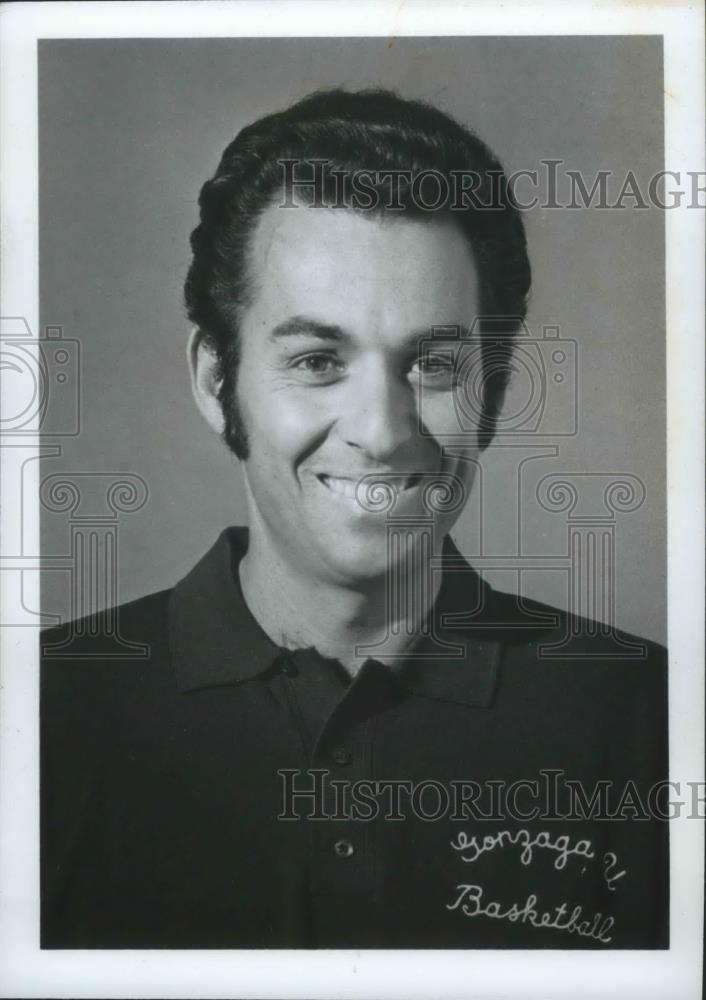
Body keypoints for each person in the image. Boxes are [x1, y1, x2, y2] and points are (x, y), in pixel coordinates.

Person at [40, 88, 668, 949]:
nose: (380, 431)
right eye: (317, 360)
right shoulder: (40, 716)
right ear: (216, 378)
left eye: (435, 363)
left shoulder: (652, 721)